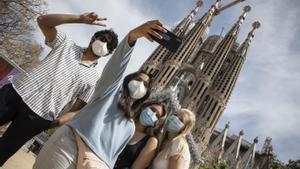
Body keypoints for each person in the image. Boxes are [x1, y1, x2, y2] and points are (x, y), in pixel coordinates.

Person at [33, 20, 166, 169]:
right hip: (67, 149)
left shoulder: (130, 127)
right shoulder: (108, 92)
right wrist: (134, 35)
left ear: (145, 95)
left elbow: (111, 158)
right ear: (127, 81)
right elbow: (117, 63)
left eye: (145, 85)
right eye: (138, 80)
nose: (140, 85)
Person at [0, 12, 119, 165]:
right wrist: (79, 19)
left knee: (4, 151)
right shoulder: (67, 44)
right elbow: (43, 21)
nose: (104, 45)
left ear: (108, 53)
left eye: (108, 46)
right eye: (103, 40)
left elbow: (77, 109)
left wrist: (56, 122)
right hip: (17, 91)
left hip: (39, 116)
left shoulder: (94, 79)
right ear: (93, 39)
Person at [114, 100, 167, 169]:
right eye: (152, 109)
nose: (153, 114)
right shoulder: (124, 122)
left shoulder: (151, 141)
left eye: (157, 115)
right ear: (144, 107)